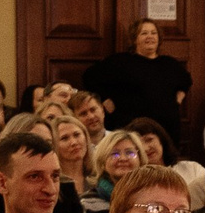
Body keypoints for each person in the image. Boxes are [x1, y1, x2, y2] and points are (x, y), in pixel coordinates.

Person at [81, 19, 189, 147]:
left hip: (166, 130)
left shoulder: (169, 63)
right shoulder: (121, 61)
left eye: (153, 33)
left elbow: (186, 80)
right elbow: (89, 77)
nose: (150, 36)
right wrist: (104, 99)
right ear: (134, 39)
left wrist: (177, 99)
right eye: (144, 33)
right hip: (131, 130)